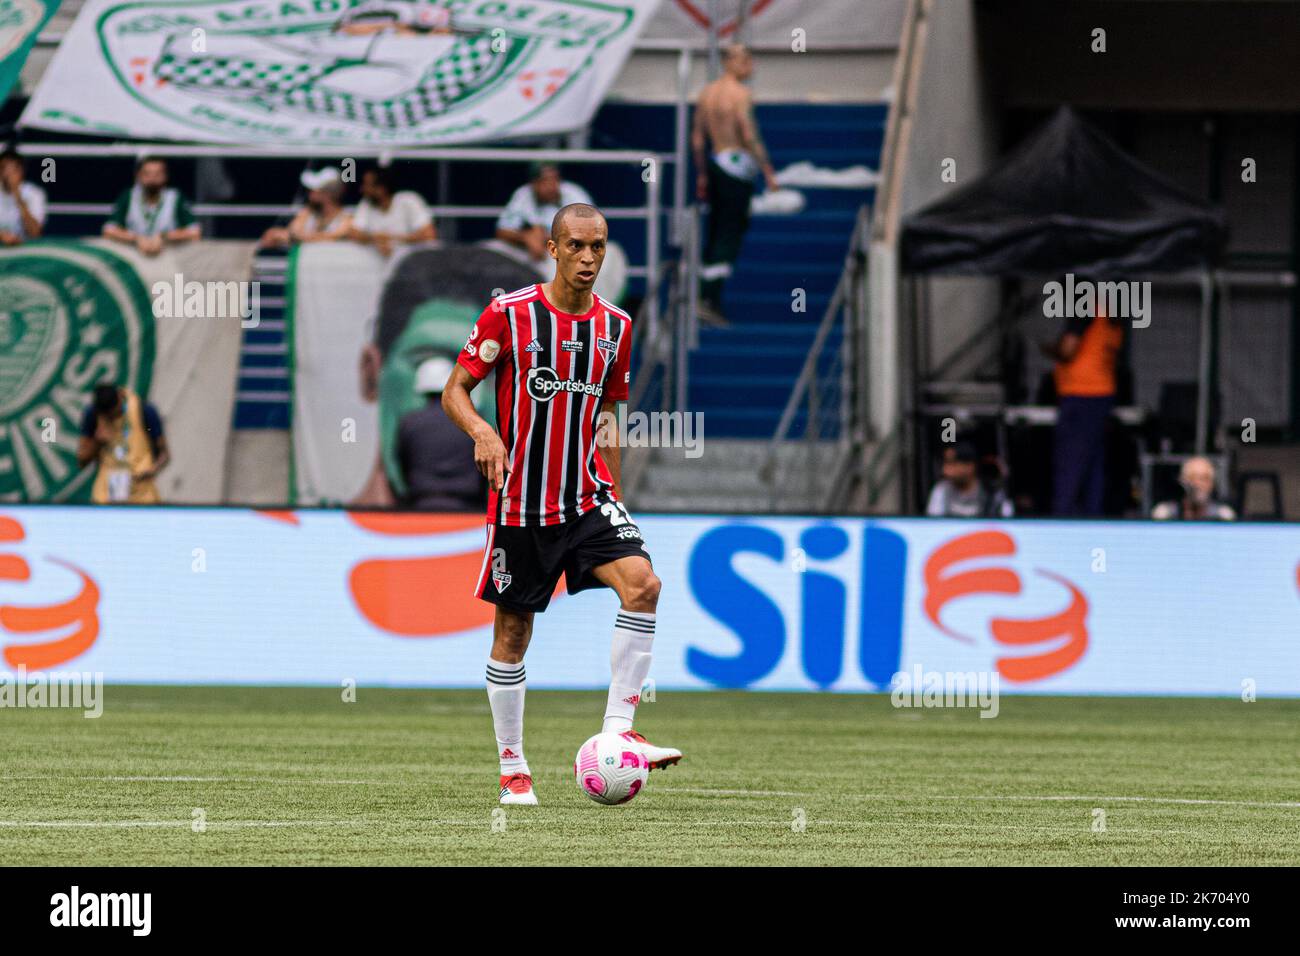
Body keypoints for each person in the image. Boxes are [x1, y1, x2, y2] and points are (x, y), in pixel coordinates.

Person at [441, 202, 681, 806]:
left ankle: (621, 734)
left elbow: (607, 416)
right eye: (575, 245)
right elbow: (455, 391)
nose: (588, 258)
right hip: (520, 504)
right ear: (552, 248)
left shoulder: (615, 327)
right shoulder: (510, 315)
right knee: (514, 632)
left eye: (597, 246)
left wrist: (617, 497)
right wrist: (483, 431)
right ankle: (513, 766)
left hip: (586, 499)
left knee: (644, 585)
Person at [691, 43, 780, 326]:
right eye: (746, 60)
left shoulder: (707, 94)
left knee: (717, 230)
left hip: (716, 162)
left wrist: (703, 173)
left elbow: (697, 138)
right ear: (732, 62)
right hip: (737, 165)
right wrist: (767, 169)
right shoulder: (741, 94)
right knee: (730, 232)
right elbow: (747, 130)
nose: (750, 66)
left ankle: (706, 296)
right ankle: (708, 297)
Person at [1042, 306, 1123, 516]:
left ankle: (1063, 517)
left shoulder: (1086, 307)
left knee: (1070, 463)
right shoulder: (1110, 313)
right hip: (1102, 394)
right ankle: (1092, 515)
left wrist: (1050, 349)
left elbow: (1068, 349)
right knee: (1093, 464)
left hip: (1081, 394)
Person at [395, 356, 485, 512]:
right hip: (468, 510)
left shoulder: (409, 423)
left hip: (422, 507)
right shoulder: (473, 423)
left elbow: (402, 465)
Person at [76, 383, 169, 504]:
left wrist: (153, 470)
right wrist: (97, 442)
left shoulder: (144, 410)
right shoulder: (92, 416)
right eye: (111, 416)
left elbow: (164, 455)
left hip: (141, 494)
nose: (115, 417)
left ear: (120, 396)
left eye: (118, 412)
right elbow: (81, 461)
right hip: (107, 496)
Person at [495, 163, 594, 265]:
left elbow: (591, 231)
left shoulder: (574, 194)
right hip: (531, 252)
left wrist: (545, 237)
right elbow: (502, 230)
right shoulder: (523, 194)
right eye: (545, 181)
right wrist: (526, 237)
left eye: (555, 179)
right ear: (534, 183)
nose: (551, 185)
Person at [102, 157, 201, 256]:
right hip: (134, 259)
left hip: (171, 259)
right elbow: (108, 230)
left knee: (181, 271)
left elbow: (194, 232)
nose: (152, 179)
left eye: (157, 174)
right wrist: (136, 239)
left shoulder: (175, 197)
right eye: (147, 174)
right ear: (138, 176)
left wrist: (164, 237)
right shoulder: (128, 196)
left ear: (165, 176)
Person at [348, 166, 436, 256]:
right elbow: (354, 234)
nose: (362, 189)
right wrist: (375, 238)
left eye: (367, 185)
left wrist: (391, 239)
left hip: (412, 264)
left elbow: (429, 235)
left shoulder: (409, 201)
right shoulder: (366, 204)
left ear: (381, 189)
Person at [260, 167, 353, 247]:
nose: (310, 195)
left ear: (328, 194)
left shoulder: (347, 218)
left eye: (314, 191)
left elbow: (336, 238)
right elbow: (281, 235)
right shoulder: (307, 213)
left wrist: (298, 238)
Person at [926, 441, 1014, 518]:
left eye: (951, 463)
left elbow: (1007, 520)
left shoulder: (991, 491)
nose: (945, 470)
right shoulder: (942, 490)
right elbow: (935, 522)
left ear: (970, 466)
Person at [1152, 456, 1235, 521]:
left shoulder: (1222, 516)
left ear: (1212, 484)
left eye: (1205, 478)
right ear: (1183, 481)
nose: (1199, 484)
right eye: (1193, 478)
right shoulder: (1165, 515)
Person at [0, 148, 46, 245]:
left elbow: (35, 233)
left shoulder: (34, 194)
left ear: (21, 171)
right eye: (4, 169)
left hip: (25, 250)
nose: (8, 175)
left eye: (13, 170)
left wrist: (17, 196)